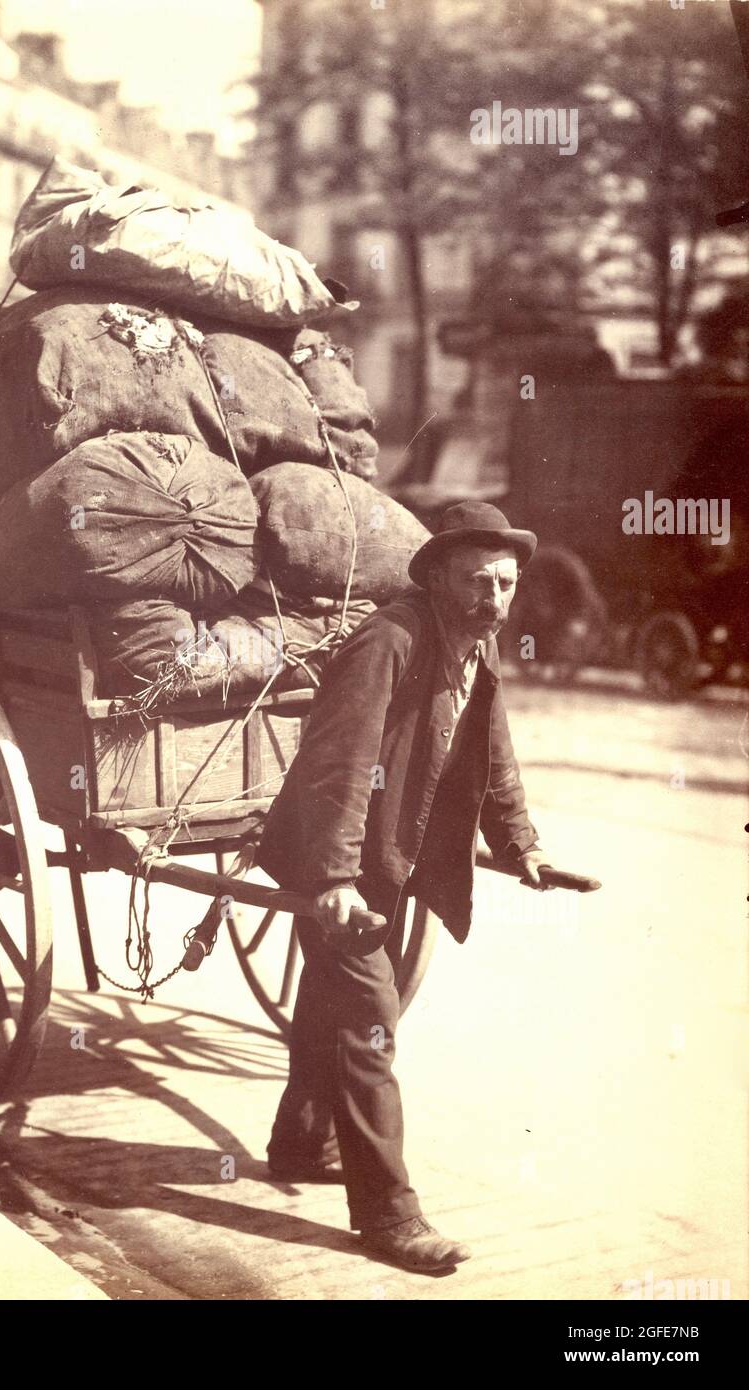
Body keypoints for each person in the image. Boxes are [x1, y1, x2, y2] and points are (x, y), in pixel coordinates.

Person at [256, 501, 553, 1274]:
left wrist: (522, 846)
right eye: (477, 582)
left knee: (335, 998)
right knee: (369, 1015)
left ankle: (300, 1142)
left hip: (385, 860)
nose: (492, 599)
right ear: (437, 578)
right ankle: (388, 1213)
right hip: (342, 860)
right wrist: (331, 879)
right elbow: (339, 763)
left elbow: (494, 755)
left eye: (504, 584)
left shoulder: (473, 650)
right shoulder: (390, 641)